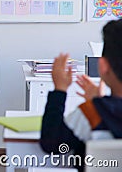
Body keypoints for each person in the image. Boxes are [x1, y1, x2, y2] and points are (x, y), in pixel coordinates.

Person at [40, 19, 122, 171]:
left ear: (103, 66)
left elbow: (51, 143)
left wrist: (59, 91)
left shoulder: (92, 112)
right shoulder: (96, 108)